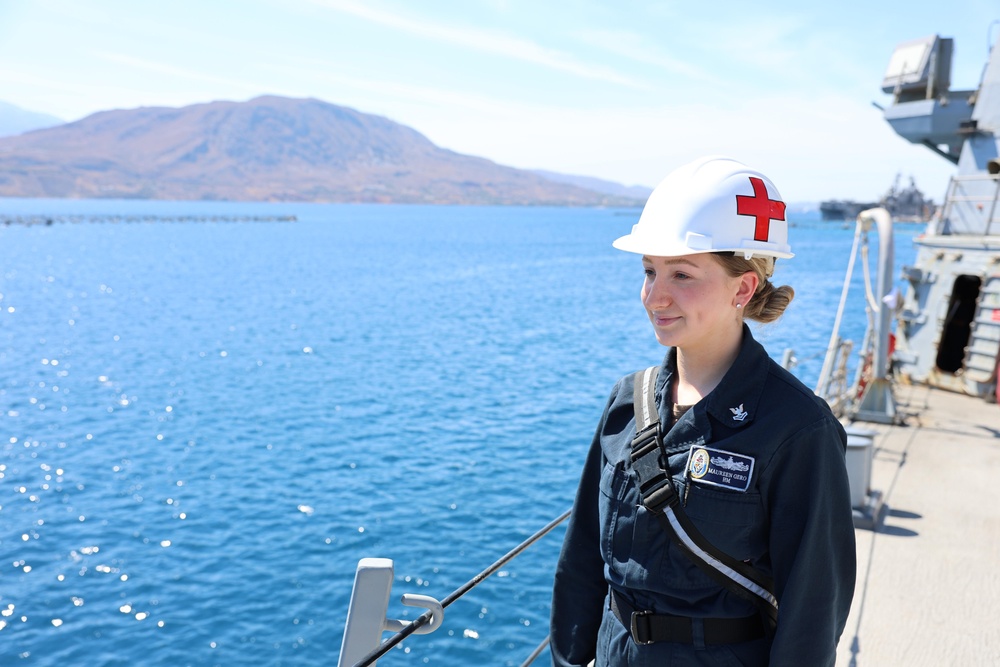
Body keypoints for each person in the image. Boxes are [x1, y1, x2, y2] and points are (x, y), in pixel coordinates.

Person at [550, 156, 856, 667]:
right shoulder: (630, 401)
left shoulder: (798, 429)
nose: (655, 296)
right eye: (649, 271)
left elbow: (812, 614)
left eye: (682, 274)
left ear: (743, 288)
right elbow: (582, 560)